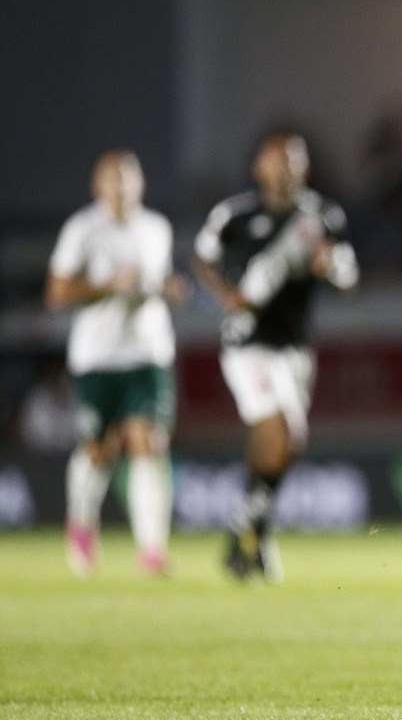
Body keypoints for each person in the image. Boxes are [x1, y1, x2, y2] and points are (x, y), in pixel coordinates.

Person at [192, 133, 359, 582]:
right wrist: (226, 296)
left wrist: (330, 269)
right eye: (277, 160)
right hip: (248, 343)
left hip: (295, 347)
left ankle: (250, 537)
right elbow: (201, 259)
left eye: (294, 160)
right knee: (279, 429)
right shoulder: (235, 215)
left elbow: (347, 273)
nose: (286, 168)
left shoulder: (321, 216)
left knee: (289, 442)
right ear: (258, 167)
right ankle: (244, 537)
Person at [46, 150, 182, 577]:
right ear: (97, 186)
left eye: (129, 178)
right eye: (114, 179)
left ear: (141, 183)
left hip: (148, 353)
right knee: (99, 450)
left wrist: (168, 288)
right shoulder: (82, 229)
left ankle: (152, 549)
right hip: (97, 356)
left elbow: (157, 281)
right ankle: (82, 527)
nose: (122, 186)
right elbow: (57, 293)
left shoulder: (157, 227)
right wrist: (106, 287)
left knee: (148, 442)